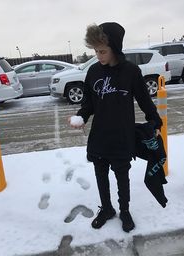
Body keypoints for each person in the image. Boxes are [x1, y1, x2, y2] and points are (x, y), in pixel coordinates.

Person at [68, 22, 162, 232]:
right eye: (95, 51)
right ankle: (107, 208)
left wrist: (155, 121)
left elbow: (145, 101)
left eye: (103, 51)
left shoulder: (131, 71)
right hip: (99, 136)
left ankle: (125, 210)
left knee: (122, 177)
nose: (98, 55)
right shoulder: (93, 71)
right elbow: (88, 103)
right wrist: (81, 116)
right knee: (100, 175)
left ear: (115, 48)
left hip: (122, 136)